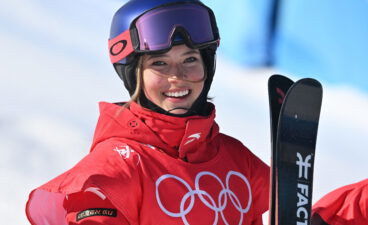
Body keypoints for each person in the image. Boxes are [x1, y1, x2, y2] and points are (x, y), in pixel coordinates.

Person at [25, 0, 270, 224]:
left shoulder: (237, 159)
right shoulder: (116, 166)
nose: (177, 76)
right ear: (133, 74)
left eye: (190, 60)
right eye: (159, 64)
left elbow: (286, 210)